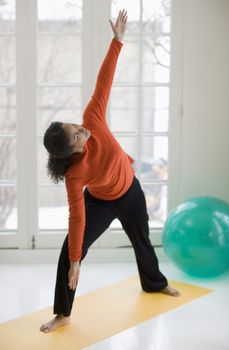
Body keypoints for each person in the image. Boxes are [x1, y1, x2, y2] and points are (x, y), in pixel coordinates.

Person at [40, 9, 180, 334]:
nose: (80, 128)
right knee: (68, 250)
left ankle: (155, 284)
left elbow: (103, 82)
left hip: (130, 192)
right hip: (100, 203)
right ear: (71, 151)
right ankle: (62, 312)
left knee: (142, 240)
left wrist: (117, 42)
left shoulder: (93, 118)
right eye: (75, 134)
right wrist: (76, 260)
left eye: (73, 124)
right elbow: (77, 217)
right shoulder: (75, 174)